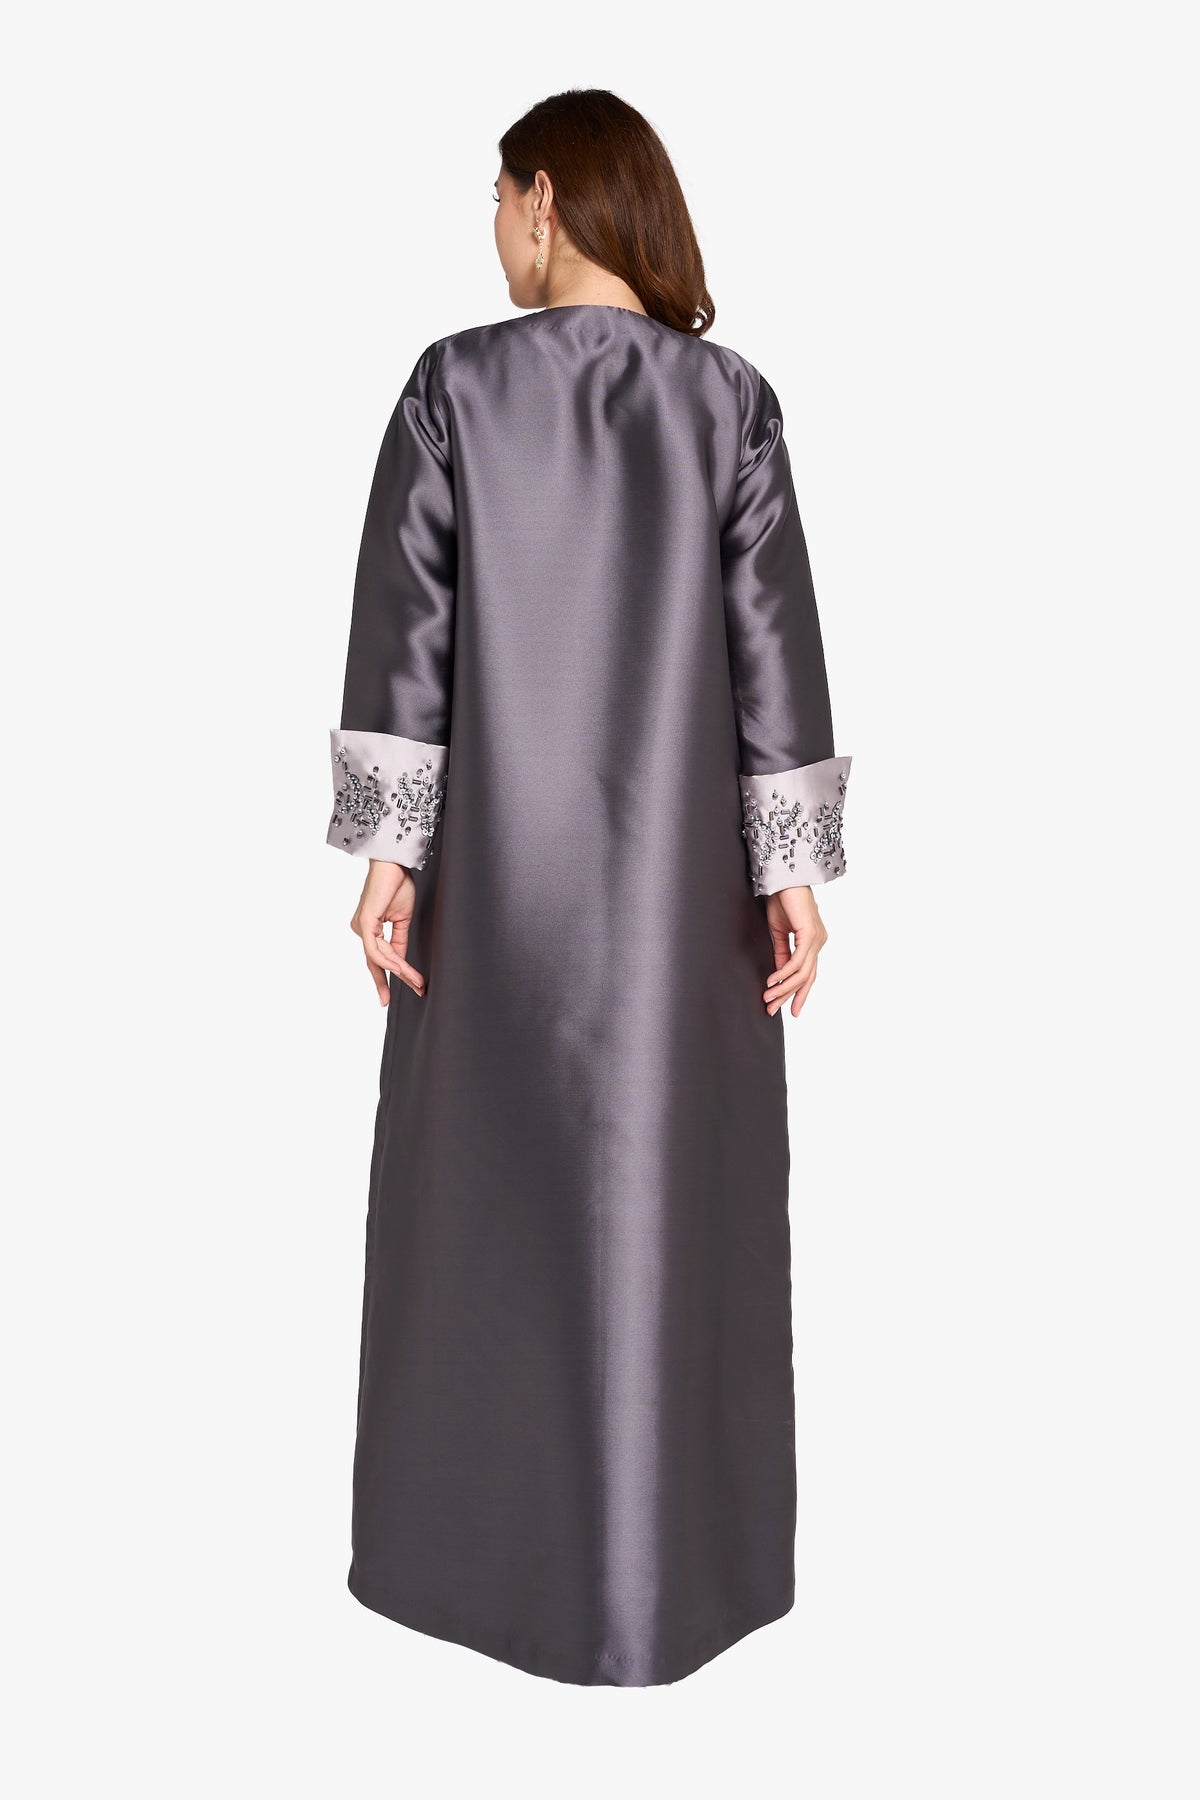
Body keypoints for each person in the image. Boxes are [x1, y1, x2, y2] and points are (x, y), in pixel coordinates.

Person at [325, 87, 852, 1687]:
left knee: (477, 1218)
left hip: (494, 906)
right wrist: (793, 876)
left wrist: (391, 853)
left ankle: (464, 1561)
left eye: (497, 200)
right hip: (687, 920)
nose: (493, 231)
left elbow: (409, 636)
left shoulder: (453, 391)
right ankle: (675, 1571)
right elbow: (774, 656)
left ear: (545, 197)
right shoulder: (731, 405)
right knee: (670, 1227)